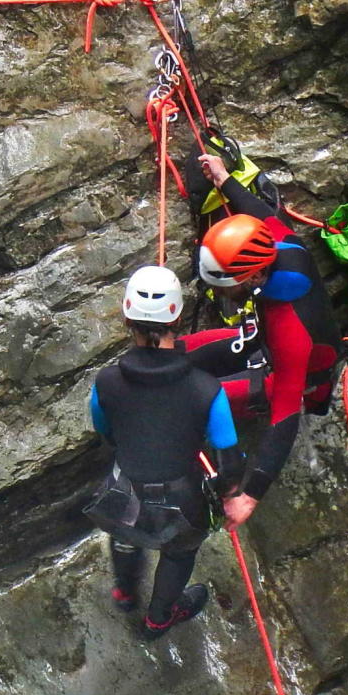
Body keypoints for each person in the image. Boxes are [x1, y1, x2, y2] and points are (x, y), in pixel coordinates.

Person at [181, 151, 343, 525]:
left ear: (254, 277)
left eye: (226, 286)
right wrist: (222, 178)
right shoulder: (279, 243)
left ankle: (221, 471)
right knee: (175, 353)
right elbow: (259, 211)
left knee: (193, 399)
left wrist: (250, 496)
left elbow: (285, 416)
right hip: (258, 340)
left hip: (287, 372)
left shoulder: (290, 327)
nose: (222, 294)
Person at [86, 265, 245, 641]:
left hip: (125, 485)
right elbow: (231, 462)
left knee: (124, 533)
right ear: (177, 315)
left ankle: (125, 593)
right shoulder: (206, 390)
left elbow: (104, 430)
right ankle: (158, 619)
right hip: (182, 495)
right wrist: (224, 492)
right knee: (178, 552)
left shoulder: (106, 382)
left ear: (127, 317)